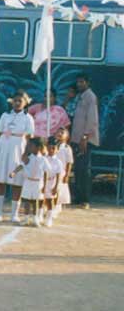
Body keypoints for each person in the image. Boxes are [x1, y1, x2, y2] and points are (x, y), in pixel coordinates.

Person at [0, 91, 35, 222]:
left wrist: (26, 154)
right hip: (3, 148)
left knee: (17, 181)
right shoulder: (5, 116)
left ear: (26, 103)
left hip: (18, 148)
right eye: (15, 100)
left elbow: (31, 138)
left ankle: (14, 214)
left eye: (20, 101)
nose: (17, 103)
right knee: (1, 180)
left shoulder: (28, 118)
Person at [70, 73, 99, 208]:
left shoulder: (90, 97)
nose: (79, 84)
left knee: (84, 170)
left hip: (85, 139)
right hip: (76, 139)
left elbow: (92, 120)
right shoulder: (80, 97)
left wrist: (85, 137)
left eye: (82, 82)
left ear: (87, 83)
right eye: (78, 82)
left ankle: (85, 200)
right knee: (77, 169)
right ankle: (78, 197)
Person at [12, 137, 48, 227]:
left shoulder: (43, 159)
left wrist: (45, 186)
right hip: (28, 182)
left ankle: (36, 218)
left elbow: (46, 172)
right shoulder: (28, 158)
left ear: (38, 147)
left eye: (31, 146)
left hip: (38, 183)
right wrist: (14, 172)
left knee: (35, 201)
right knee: (27, 201)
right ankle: (26, 218)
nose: (29, 147)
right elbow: (21, 166)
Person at [54, 127, 74, 218]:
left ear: (67, 136)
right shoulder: (52, 146)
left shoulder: (67, 148)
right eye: (58, 132)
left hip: (62, 173)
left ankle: (57, 206)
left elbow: (69, 162)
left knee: (60, 190)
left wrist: (67, 175)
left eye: (63, 132)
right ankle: (50, 206)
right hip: (52, 172)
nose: (60, 134)